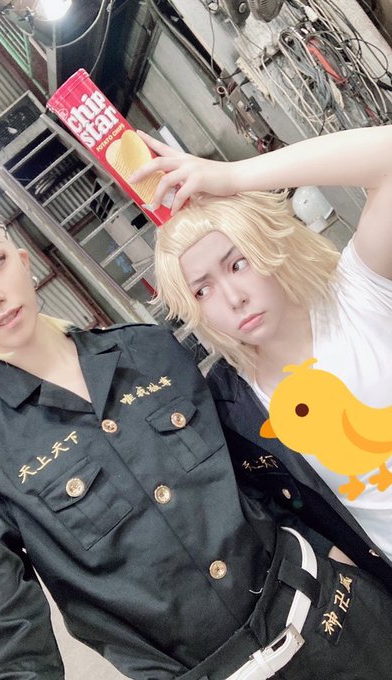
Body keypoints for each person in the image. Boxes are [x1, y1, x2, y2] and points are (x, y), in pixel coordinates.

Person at [0, 184, 392, 680]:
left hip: (337, 617)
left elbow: (255, 475)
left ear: (22, 260)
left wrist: (335, 557)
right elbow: (1, 625)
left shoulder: (151, 352)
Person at [132, 125, 392, 565]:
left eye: (238, 264)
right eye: (202, 290)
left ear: (267, 245)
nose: (234, 298)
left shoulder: (358, 293)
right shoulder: (235, 408)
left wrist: (233, 176)